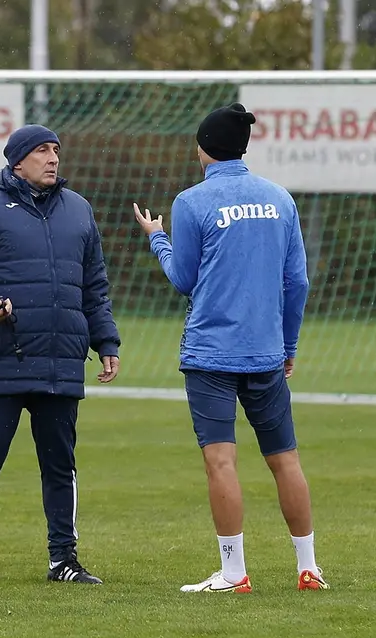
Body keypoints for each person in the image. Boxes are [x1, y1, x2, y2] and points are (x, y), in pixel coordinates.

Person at [133, 102, 326, 594]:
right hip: (266, 352)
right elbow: (298, 282)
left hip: (211, 354)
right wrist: (288, 344)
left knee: (221, 461)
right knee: (285, 460)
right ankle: (308, 568)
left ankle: (234, 573)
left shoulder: (191, 201)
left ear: (203, 148)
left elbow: (184, 278)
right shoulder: (280, 199)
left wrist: (157, 238)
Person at [0, 124, 121, 586]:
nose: (53, 158)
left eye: (56, 150)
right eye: (42, 150)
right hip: (1, 361)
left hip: (60, 362)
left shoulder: (79, 209)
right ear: (17, 160)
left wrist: (106, 341)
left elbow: (94, 286)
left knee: (60, 466)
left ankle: (64, 560)